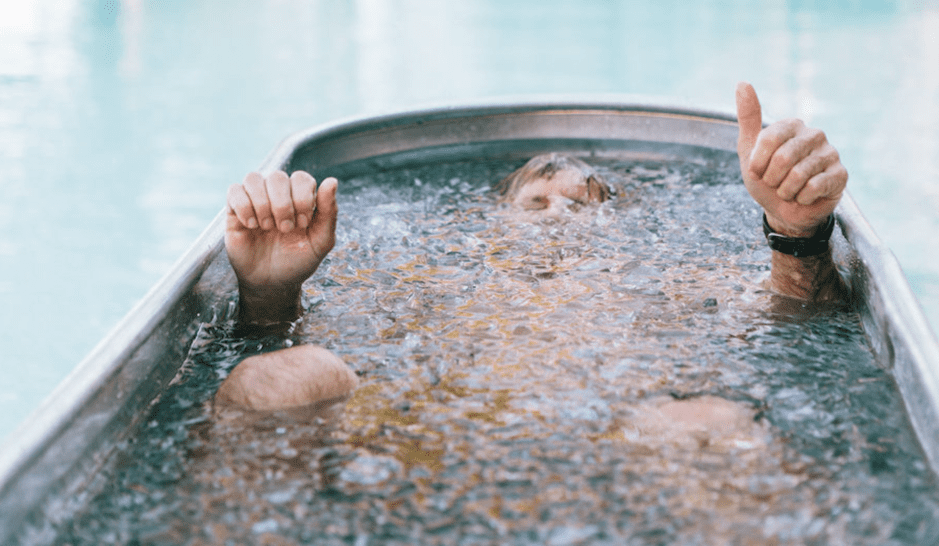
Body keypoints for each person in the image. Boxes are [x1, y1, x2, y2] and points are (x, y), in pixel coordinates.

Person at [215, 83, 848, 412]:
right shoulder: (425, 280)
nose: (558, 216)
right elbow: (326, 338)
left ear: (621, 225)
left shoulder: (670, 281)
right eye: (537, 203)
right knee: (275, 380)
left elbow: (797, 322)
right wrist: (269, 291)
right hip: (437, 427)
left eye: (580, 204)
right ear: (491, 222)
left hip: (627, 426)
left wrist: (795, 235)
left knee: (707, 423)